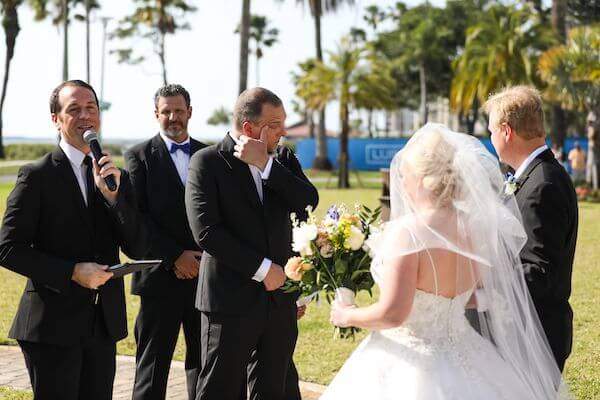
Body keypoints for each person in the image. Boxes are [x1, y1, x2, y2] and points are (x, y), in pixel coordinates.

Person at [324, 123, 569, 400]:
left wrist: (348, 315)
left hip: (410, 362)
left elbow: (394, 313)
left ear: (420, 178)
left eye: (405, 175)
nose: (402, 183)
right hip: (472, 354)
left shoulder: (408, 233)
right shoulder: (475, 230)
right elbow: (474, 295)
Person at [0, 80, 147, 400]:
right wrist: (71, 271)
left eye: (91, 108)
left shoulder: (114, 176)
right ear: (56, 119)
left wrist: (114, 200)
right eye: (74, 109)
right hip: (51, 327)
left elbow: (136, 246)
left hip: (102, 325)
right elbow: (7, 248)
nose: (85, 116)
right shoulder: (36, 175)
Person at [185, 87, 318, 400]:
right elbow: (206, 232)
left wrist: (267, 167)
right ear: (249, 129)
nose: (283, 132)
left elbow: (308, 202)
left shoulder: (282, 159)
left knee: (274, 390)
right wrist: (264, 270)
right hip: (227, 304)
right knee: (220, 390)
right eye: (274, 125)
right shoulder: (206, 162)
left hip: (278, 305)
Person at [485, 85, 578, 372]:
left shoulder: (543, 185)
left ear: (506, 131)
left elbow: (539, 272)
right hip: (528, 331)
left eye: (491, 131)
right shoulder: (537, 175)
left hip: (535, 336)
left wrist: (482, 280)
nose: (490, 138)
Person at [125, 84, 206, 400]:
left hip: (204, 278)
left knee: (204, 365)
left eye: (179, 110)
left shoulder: (210, 155)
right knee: (152, 368)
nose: (173, 117)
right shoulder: (138, 156)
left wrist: (201, 260)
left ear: (190, 111)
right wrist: (175, 256)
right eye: (166, 112)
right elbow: (137, 219)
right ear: (156, 114)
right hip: (159, 277)